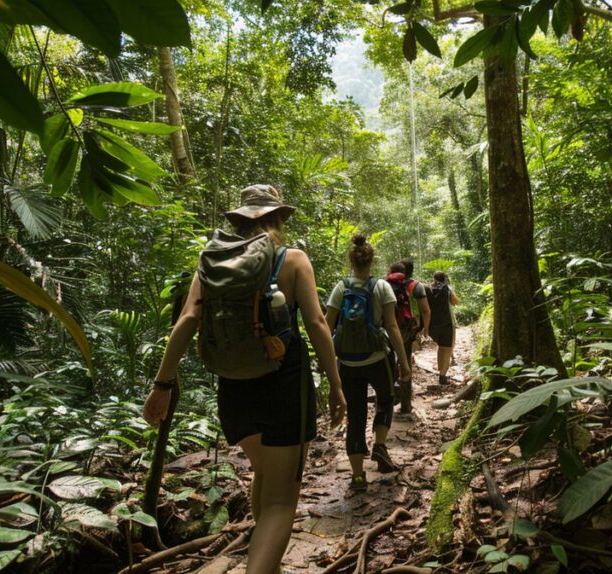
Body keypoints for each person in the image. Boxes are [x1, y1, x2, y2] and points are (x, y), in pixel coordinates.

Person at [143, 184, 346, 574]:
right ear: (278, 219)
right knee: (281, 502)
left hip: (233, 386)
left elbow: (188, 320)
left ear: (237, 221)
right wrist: (335, 384)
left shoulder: (212, 261)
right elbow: (317, 323)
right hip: (284, 383)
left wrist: (162, 385)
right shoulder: (293, 259)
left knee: (265, 475)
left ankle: (264, 563)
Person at [326, 234, 412, 491]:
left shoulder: (340, 287)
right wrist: (405, 363)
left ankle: (358, 477)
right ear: (372, 260)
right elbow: (393, 326)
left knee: (355, 415)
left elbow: (325, 325)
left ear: (351, 260)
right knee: (385, 399)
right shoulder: (381, 287)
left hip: (348, 363)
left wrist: (328, 362)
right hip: (378, 358)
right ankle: (380, 445)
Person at [385, 260, 430, 415]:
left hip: (386, 331)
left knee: (387, 364)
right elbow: (425, 310)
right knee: (405, 363)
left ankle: (385, 406)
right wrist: (425, 328)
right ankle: (405, 406)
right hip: (406, 329)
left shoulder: (383, 284)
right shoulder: (416, 286)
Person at [427, 271, 459, 386]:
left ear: (434, 278)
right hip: (447, 324)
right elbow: (456, 301)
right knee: (446, 349)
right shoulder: (447, 288)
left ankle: (441, 372)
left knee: (441, 348)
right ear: (445, 278)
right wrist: (450, 288)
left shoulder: (428, 288)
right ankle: (442, 376)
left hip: (432, 325)